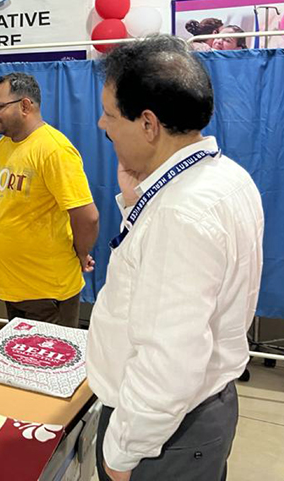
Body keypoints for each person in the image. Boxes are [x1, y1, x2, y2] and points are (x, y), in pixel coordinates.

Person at [89, 35, 264, 481]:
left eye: (110, 115)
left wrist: (123, 451)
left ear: (148, 124)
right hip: (198, 412)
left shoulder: (179, 212)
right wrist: (135, 201)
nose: (102, 125)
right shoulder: (226, 176)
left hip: (163, 433)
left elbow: (169, 360)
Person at [0, 72, 99, 328]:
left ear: (25, 105)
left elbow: (87, 216)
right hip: (13, 284)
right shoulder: (3, 146)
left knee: (51, 362)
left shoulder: (54, 150)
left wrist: (81, 253)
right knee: (21, 362)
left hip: (47, 290)